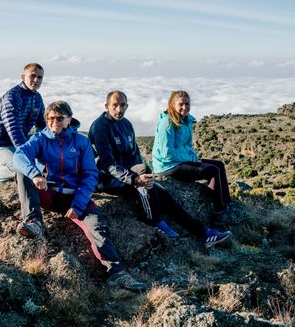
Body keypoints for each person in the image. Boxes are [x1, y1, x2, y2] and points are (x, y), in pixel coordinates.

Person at [13, 101, 147, 292]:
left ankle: (117, 273)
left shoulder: (81, 142)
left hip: (74, 197)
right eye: (50, 118)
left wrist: (78, 205)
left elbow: (90, 175)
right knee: (22, 172)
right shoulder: (40, 139)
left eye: (60, 118)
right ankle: (34, 221)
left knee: (97, 225)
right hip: (49, 195)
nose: (54, 122)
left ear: (69, 119)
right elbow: (19, 155)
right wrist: (35, 174)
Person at [88, 90, 231, 247]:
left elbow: (135, 154)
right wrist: (135, 179)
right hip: (108, 179)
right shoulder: (100, 128)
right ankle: (153, 219)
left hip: (130, 174)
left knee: (164, 195)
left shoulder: (126, 124)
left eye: (123, 105)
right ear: (106, 106)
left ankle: (205, 233)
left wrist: (143, 175)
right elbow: (109, 165)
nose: (119, 109)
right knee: (150, 186)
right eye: (115, 105)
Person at [152, 90, 244, 225]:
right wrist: (190, 160)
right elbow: (167, 154)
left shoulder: (187, 120)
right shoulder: (167, 123)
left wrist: (193, 158)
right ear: (172, 105)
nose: (185, 107)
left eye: (187, 104)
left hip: (179, 160)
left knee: (219, 164)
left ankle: (227, 203)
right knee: (212, 171)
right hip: (167, 165)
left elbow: (187, 145)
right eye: (181, 104)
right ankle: (219, 212)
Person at [0, 63, 46, 194]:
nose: (36, 80)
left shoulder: (37, 98)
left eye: (40, 77)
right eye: (33, 76)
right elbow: (14, 130)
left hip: (12, 146)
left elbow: (42, 126)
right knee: (20, 166)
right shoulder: (12, 98)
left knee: (40, 162)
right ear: (23, 77)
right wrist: (26, 156)